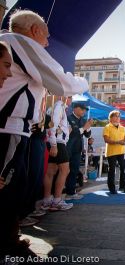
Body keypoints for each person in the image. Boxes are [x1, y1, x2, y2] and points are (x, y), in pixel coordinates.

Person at [0, 10, 88, 258]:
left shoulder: (11, 44)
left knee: (18, 188)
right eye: (46, 37)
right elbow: (60, 82)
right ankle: (7, 245)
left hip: (17, 129)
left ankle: (10, 239)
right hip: (8, 127)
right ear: (35, 31)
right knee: (8, 189)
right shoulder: (19, 41)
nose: (47, 44)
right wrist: (83, 82)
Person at [42, 98, 73, 211]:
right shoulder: (59, 105)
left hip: (55, 141)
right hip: (57, 143)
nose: (71, 100)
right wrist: (54, 144)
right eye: (70, 97)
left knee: (51, 171)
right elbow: (52, 125)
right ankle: (57, 200)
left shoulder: (56, 106)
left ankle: (47, 200)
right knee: (65, 170)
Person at [65, 103, 92, 200]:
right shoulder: (68, 118)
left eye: (85, 110)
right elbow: (72, 133)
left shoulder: (83, 120)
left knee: (74, 170)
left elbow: (87, 135)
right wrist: (84, 127)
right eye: (82, 109)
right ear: (75, 108)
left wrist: (88, 127)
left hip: (78, 149)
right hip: (68, 148)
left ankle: (71, 192)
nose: (84, 112)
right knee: (65, 170)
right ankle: (63, 192)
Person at [103, 110, 125, 194]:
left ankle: (122, 186)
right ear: (111, 118)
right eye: (116, 116)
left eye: (119, 116)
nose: (118, 118)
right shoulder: (107, 127)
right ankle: (112, 188)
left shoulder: (122, 127)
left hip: (121, 151)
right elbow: (106, 139)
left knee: (123, 169)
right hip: (111, 152)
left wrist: (124, 141)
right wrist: (118, 142)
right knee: (112, 170)